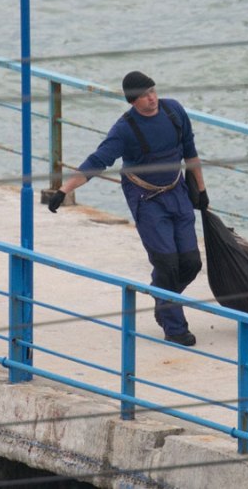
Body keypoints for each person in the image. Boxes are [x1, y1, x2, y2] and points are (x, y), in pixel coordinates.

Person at [48, 71, 209, 347]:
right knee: (166, 263)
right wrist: (64, 190)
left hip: (177, 190)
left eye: (153, 91)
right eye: (144, 96)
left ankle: (162, 298)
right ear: (132, 101)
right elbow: (96, 161)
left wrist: (202, 190)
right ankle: (175, 326)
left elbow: (190, 153)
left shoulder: (174, 111)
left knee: (192, 262)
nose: (152, 98)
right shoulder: (124, 129)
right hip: (146, 198)